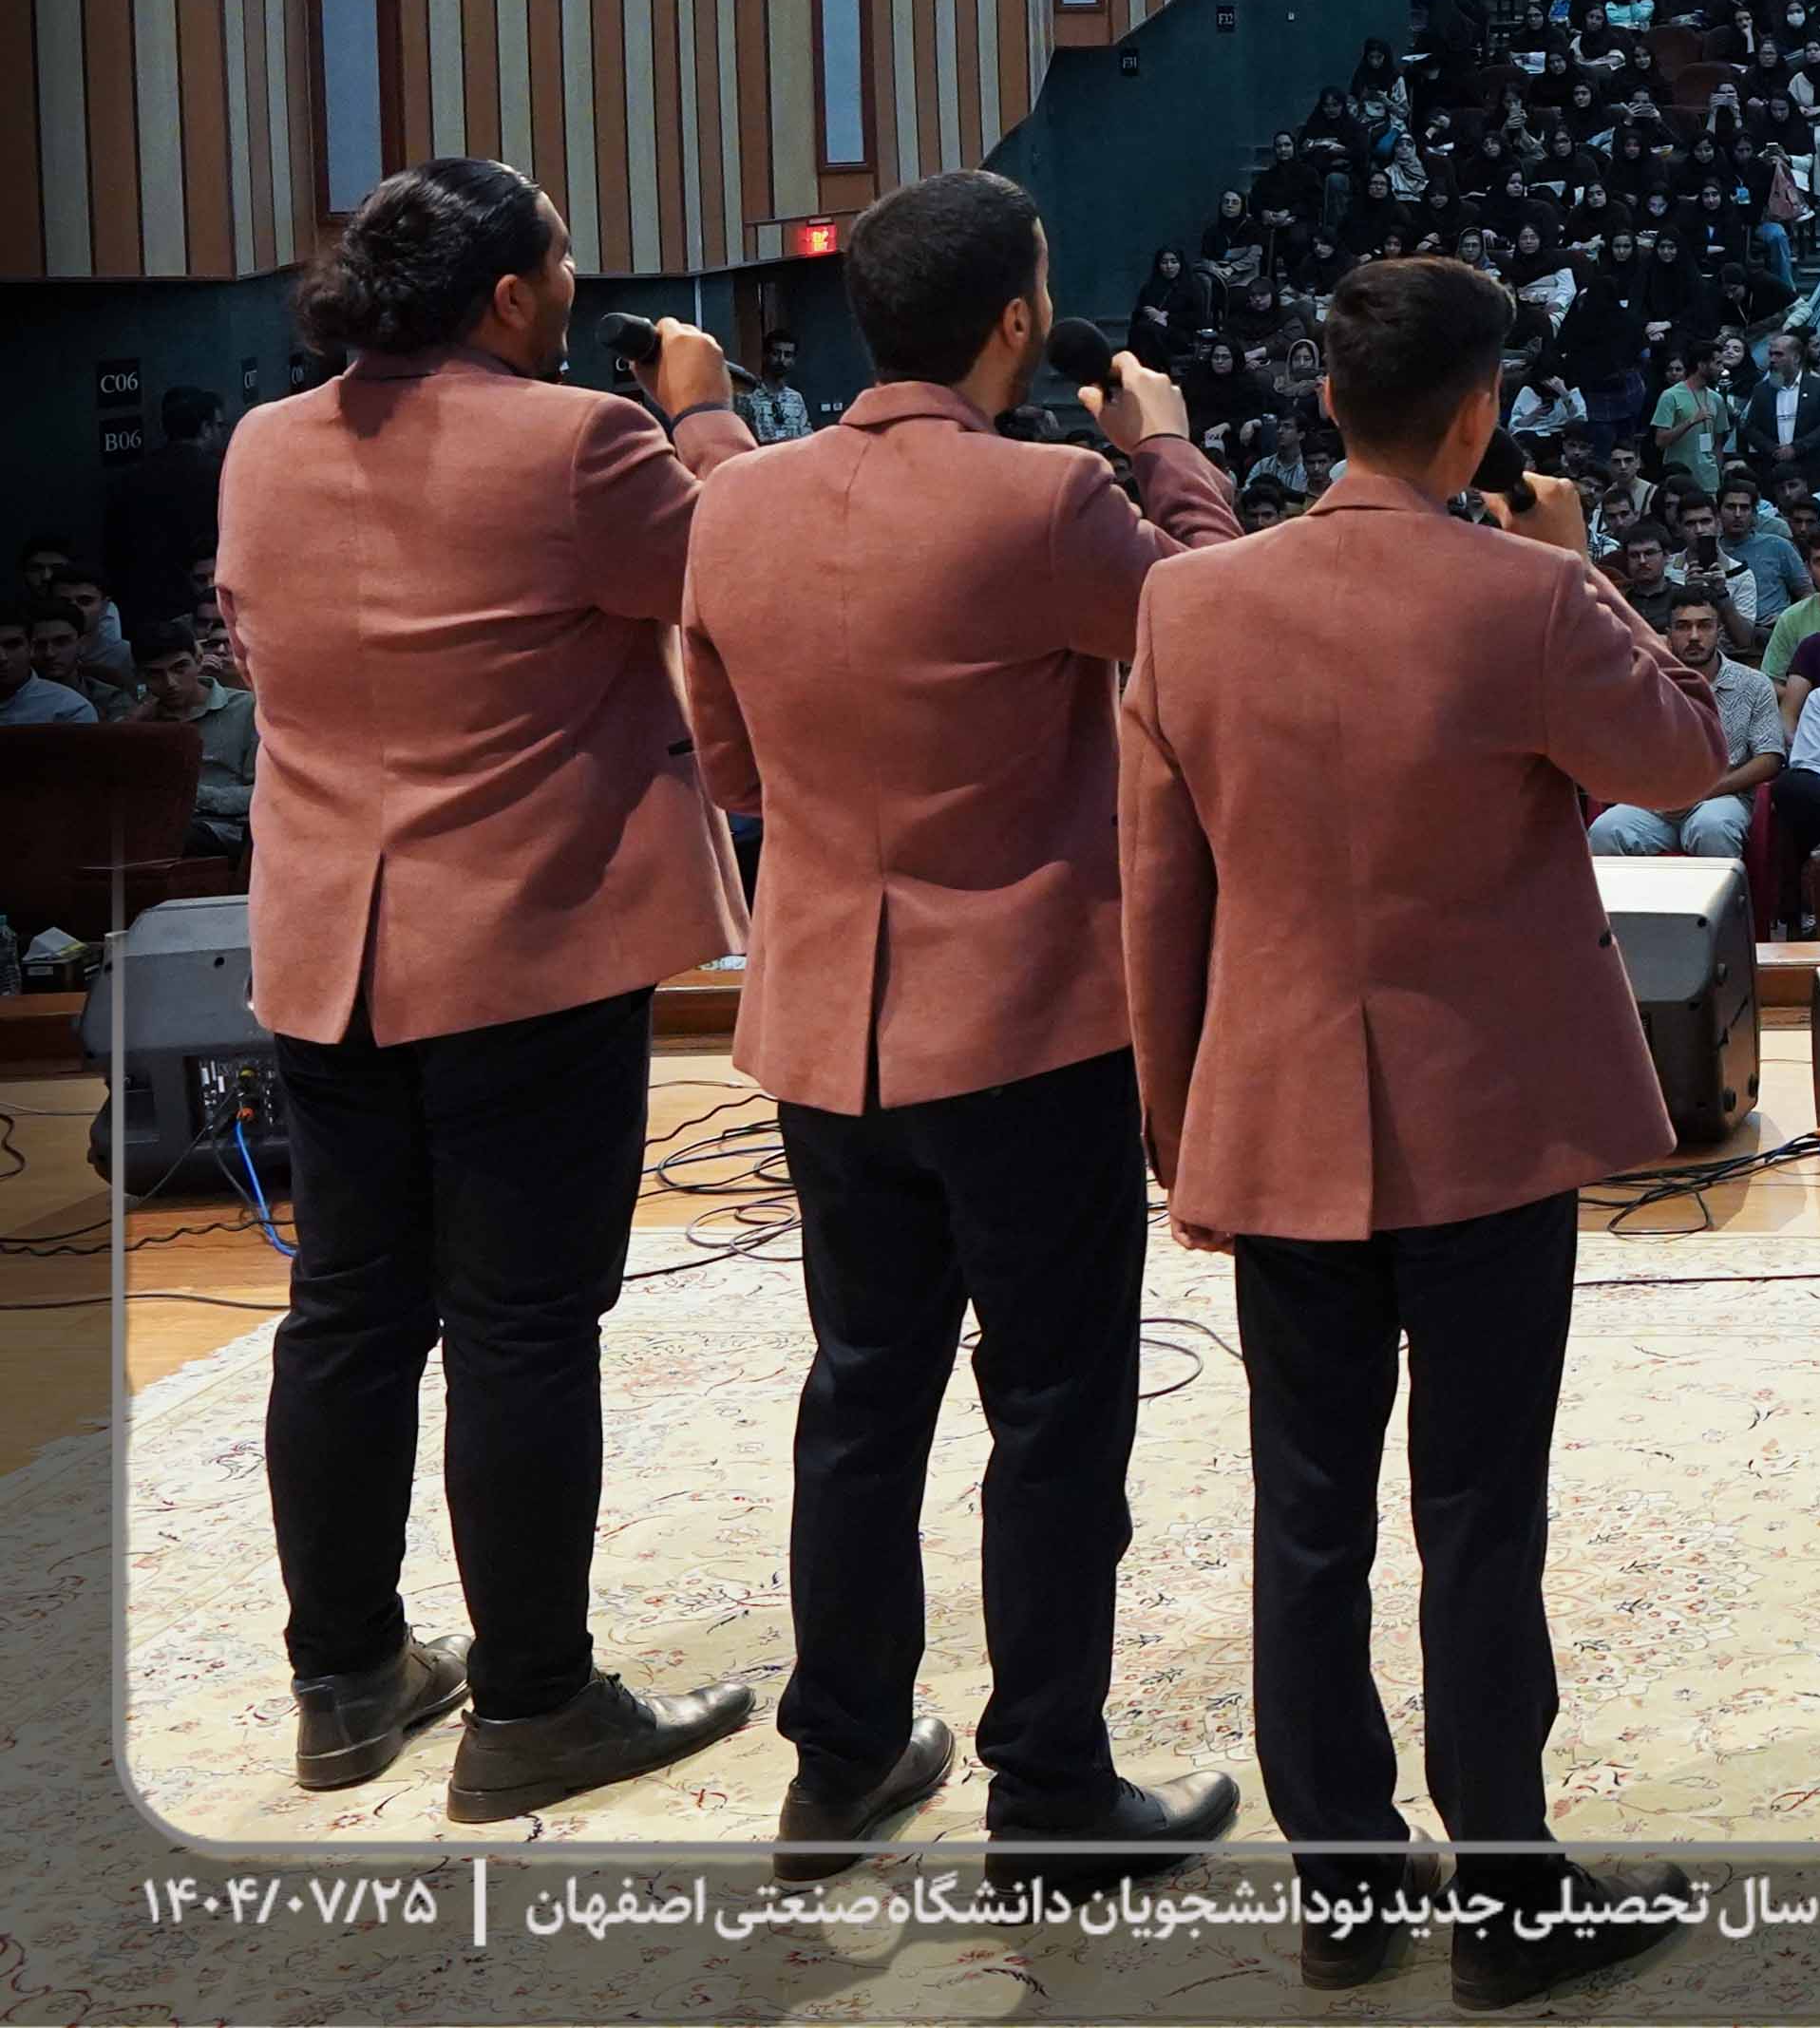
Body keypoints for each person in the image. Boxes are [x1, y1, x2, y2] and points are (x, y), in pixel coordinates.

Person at [1117, 256, 1725, 2002]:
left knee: (1305, 1514)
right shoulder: (1525, 595)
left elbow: (1158, 893)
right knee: (1477, 1509)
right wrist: (1579, 558)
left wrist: (1179, 1123)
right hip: (1483, 1123)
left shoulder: (1189, 603)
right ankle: (1509, 1893)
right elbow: (1685, 757)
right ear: (1481, 416)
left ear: (1327, 402)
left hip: (1276, 1111)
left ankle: (1343, 1885)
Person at [673, 170, 1247, 1887]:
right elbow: (1219, 639)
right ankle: (1050, 1787)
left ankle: (841, 1758)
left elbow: (732, 768)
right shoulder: (1053, 495)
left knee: (862, 1390)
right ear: (1018, 320)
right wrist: (1168, 451)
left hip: (826, 1018)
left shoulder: (734, 503)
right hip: (1023, 1022)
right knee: (1055, 1406)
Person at [217, 156, 765, 1819]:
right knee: (522, 1324)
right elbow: (749, 575)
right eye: (566, 262)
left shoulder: (262, 443)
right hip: (526, 944)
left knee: (348, 1312)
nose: (579, 287)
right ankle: (532, 1704)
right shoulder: (581, 441)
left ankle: (346, 1679)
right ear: (515, 294)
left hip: (328, 945)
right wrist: (701, 414)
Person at [1591, 596, 1789, 862]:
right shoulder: (1645, 682)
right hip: (1655, 803)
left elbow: (1770, 758)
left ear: (1719, 632)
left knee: (1712, 827)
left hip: (1722, 798)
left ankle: (1728, 892)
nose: (1694, 636)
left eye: (1704, 625)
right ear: (1669, 635)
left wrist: (1705, 791)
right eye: (1683, 627)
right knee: (1605, 830)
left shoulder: (1753, 684)